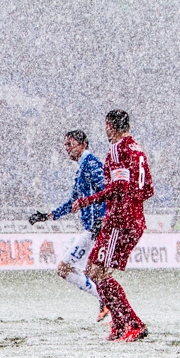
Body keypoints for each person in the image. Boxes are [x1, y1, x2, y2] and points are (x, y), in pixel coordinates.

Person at [72, 110, 154, 342]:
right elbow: (148, 189)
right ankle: (118, 325)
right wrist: (134, 205)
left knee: (99, 273)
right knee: (92, 270)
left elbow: (118, 188)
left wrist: (88, 201)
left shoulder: (119, 148)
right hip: (130, 219)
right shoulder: (137, 149)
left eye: (106, 125)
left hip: (120, 220)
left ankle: (134, 324)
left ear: (110, 126)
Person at [28, 130, 109, 321]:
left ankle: (108, 303)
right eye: (65, 145)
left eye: (70, 144)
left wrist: (102, 218)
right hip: (92, 228)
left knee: (67, 269)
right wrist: (48, 216)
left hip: (96, 229)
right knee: (92, 273)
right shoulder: (82, 168)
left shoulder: (91, 164)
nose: (67, 149)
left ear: (83, 145)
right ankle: (111, 307)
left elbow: (107, 191)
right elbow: (73, 202)